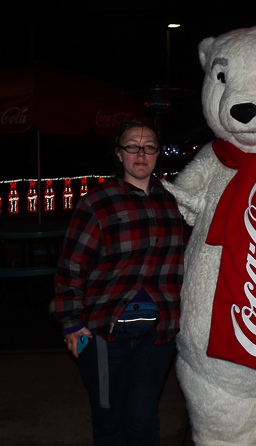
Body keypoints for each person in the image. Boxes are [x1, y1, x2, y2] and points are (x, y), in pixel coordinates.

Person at [50, 119, 187, 445]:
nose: (141, 153)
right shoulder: (97, 201)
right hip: (101, 334)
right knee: (108, 419)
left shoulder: (175, 201)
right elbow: (71, 265)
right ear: (119, 153)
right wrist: (71, 324)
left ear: (157, 154)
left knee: (142, 420)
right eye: (132, 146)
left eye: (149, 147)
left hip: (157, 334)